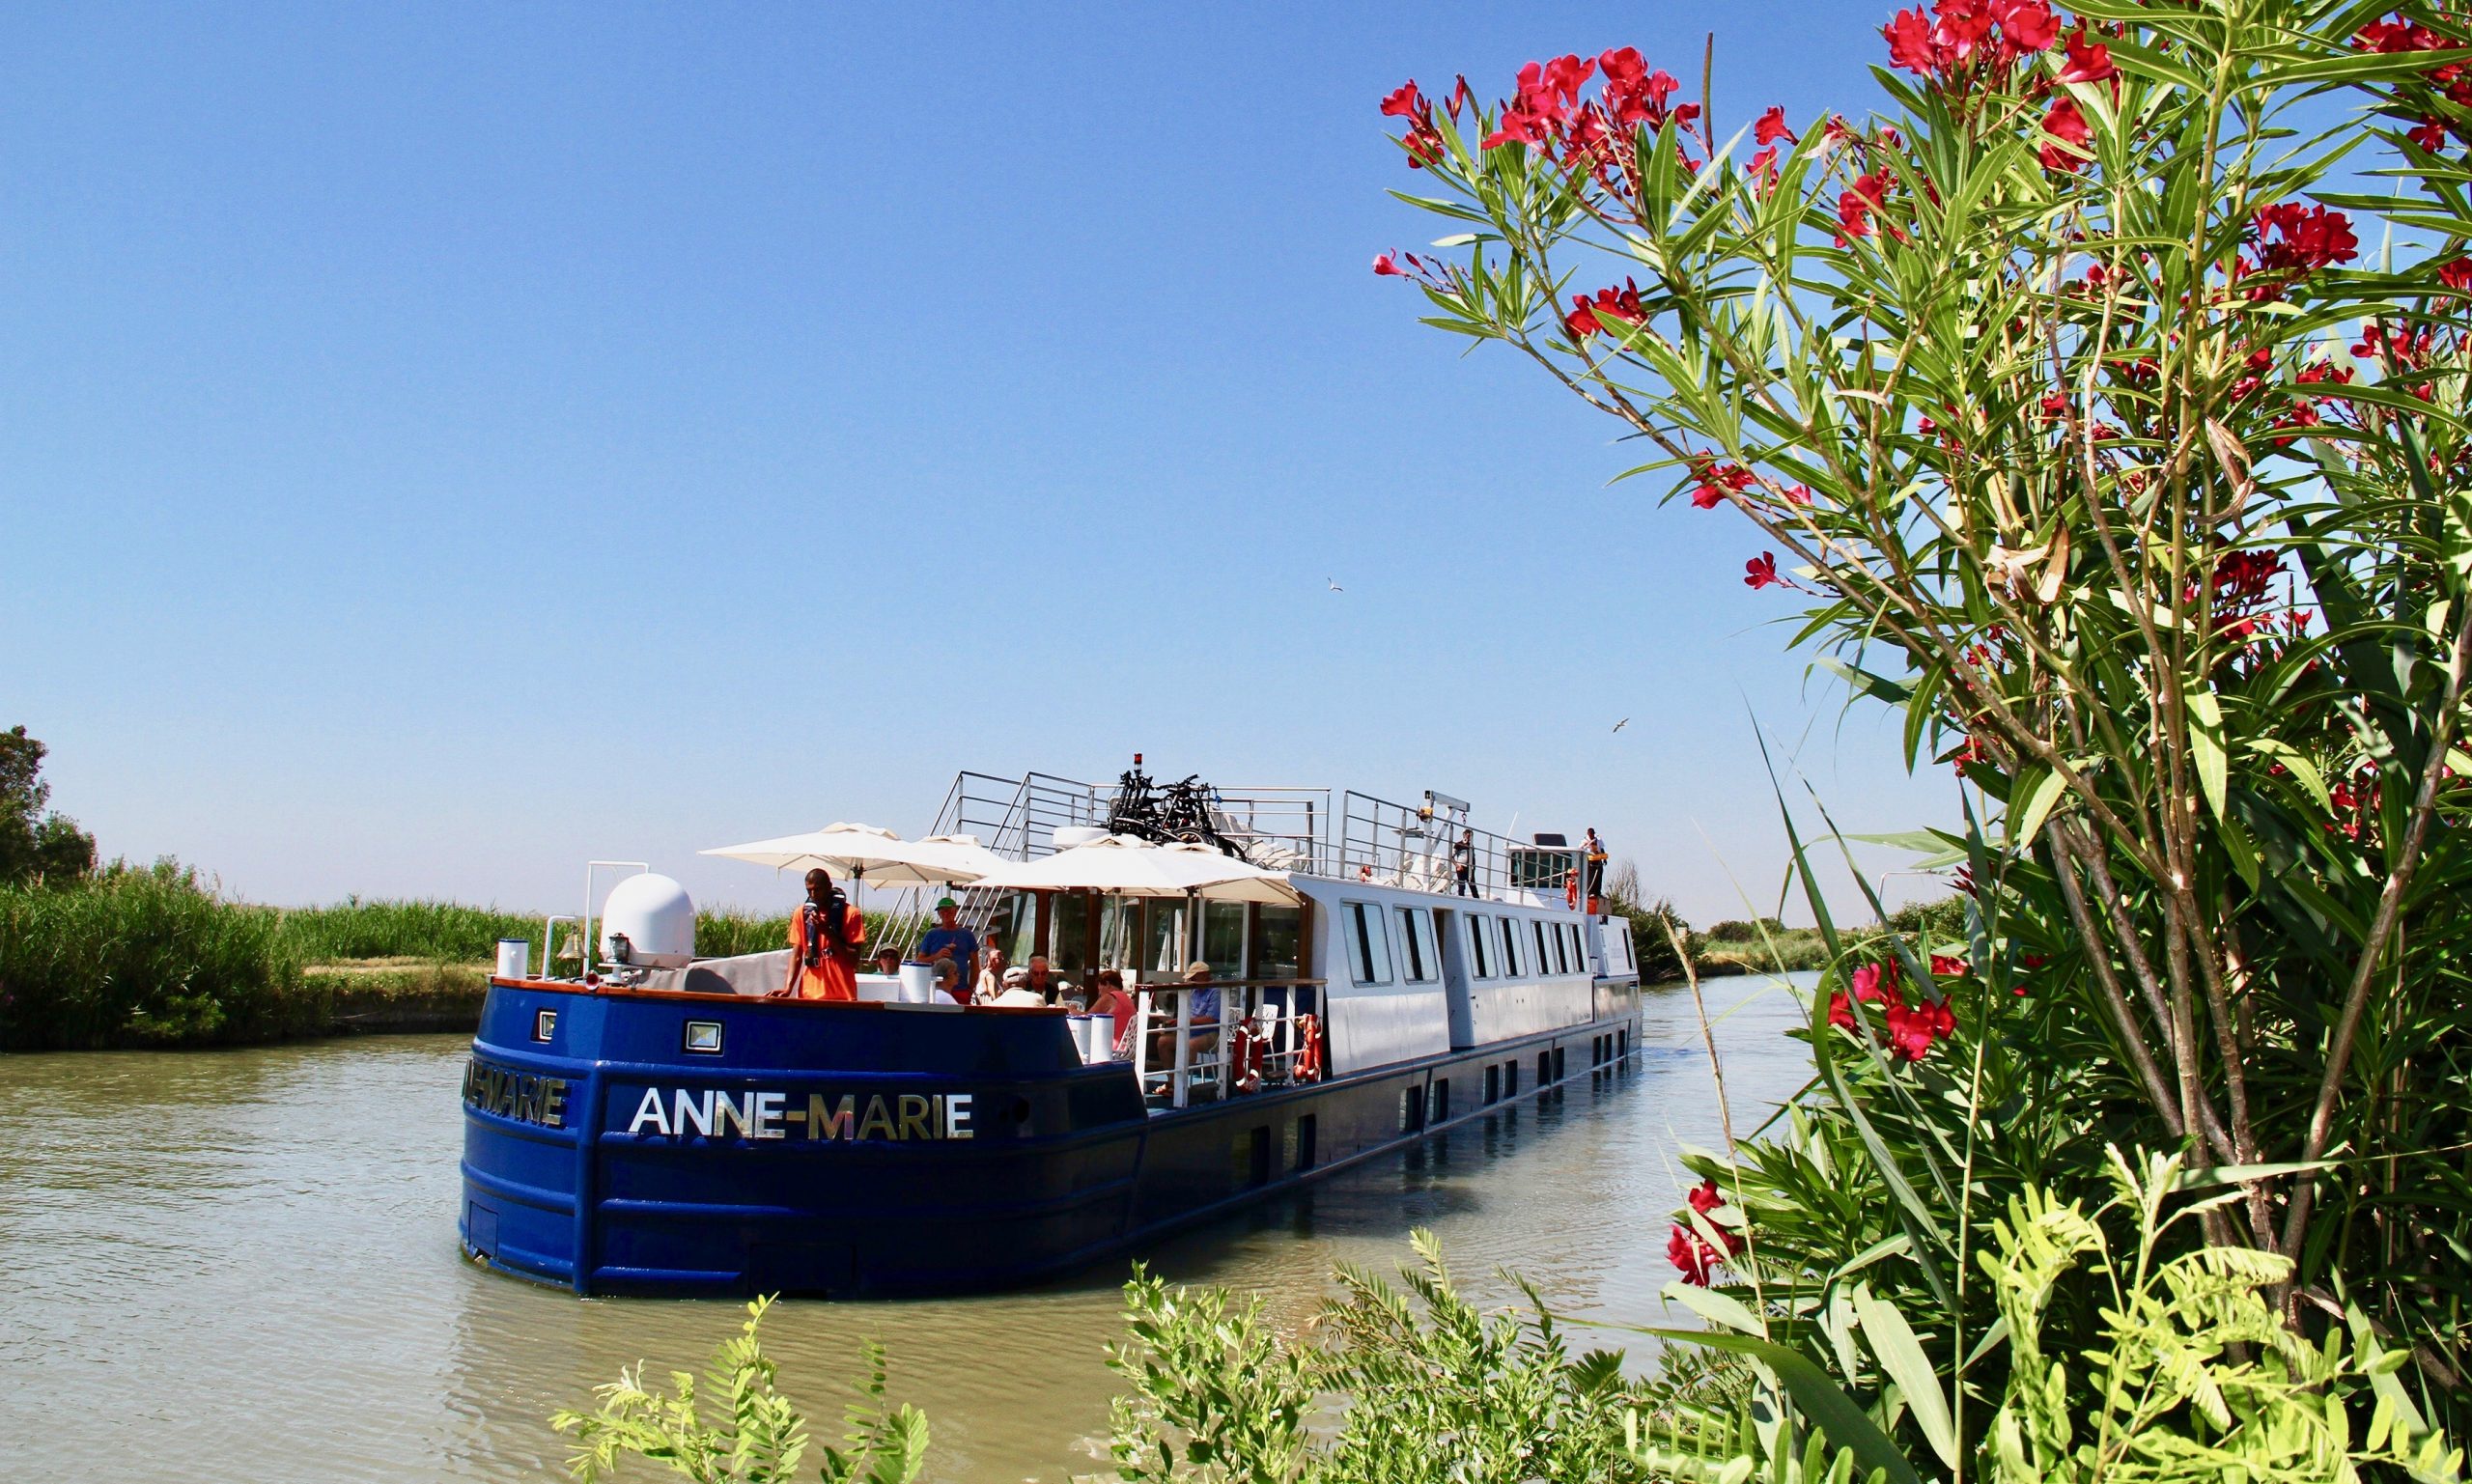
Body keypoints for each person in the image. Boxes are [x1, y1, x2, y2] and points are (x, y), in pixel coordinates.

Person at [779, 867, 865, 1001]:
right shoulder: (801, 914)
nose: (813, 894)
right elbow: (796, 955)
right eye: (809, 890)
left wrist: (827, 932)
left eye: (817, 889)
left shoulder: (851, 914)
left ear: (829, 887)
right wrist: (787, 988)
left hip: (843, 997)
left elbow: (854, 959)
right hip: (809, 997)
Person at [914, 896, 980, 1005]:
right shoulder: (931, 934)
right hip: (936, 990)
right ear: (939, 913)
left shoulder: (967, 934)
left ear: (955, 911)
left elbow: (975, 965)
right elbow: (919, 961)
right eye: (942, 911)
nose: (945, 913)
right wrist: (936, 956)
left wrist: (970, 988)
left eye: (948, 910)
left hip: (961, 989)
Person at [1087, 968, 1137, 1053]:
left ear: (1107, 984)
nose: (1099, 993)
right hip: (1128, 1047)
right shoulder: (1126, 998)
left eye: (1099, 988)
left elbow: (1086, 1016)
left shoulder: (1109, 997)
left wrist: (1071, 1009)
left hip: (1110, 1046)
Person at [1584, 828, 1609, 916]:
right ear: (1588, 834)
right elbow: (1582, 849)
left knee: (1599, 875)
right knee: (1591, 877)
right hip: (1590, 861)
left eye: (1593, 834)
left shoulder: (1598, 840)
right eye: (1590, 834)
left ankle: (1598, 892)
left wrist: (1604, 859)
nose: (1591, 836)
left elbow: (1601, 849)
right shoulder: (1584, 841)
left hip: (1597, 860)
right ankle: (1590, 892)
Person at [1451, 827, 1476, 897]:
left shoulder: (1471, 846)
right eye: (1467, 833)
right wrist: (1457, 866)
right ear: (1464, 834)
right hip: (1462, 867)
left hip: (1470, 869)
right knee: (1461, 887)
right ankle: (1461, 899)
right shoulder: (1458, 844)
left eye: (1470, 834)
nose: (1469, 835)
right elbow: (1451, 856)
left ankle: (1477, 901)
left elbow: (1472, 857)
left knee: (1473, 887)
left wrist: (1473, 868)